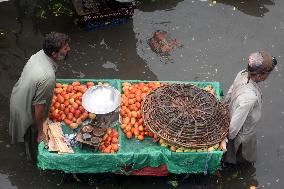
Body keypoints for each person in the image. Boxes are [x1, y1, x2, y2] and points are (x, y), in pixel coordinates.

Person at [9, 32, 70, 162]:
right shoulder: (47, 77)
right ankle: (32, 158)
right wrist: (40, 131)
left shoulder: (39, 54)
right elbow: (39, 109)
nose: (68, 49)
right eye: (65, 48)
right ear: (54, 54)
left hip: (19, 95)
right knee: (32, 135)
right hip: (25, 108)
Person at [224, 51, 277, 164]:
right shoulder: (249, 97)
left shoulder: (242, 74)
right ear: (259, 75)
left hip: (233, 113)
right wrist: (231, 141)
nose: (268, 76)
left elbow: (230, 92)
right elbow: (233, 128)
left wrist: (225, 106)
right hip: (244, 135)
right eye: (267, 74)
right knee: (243, 158)